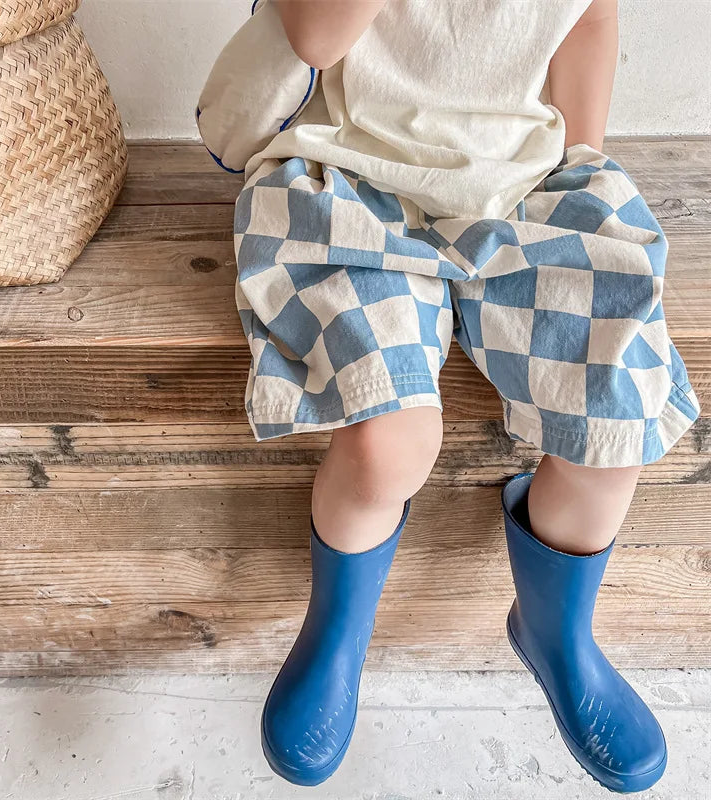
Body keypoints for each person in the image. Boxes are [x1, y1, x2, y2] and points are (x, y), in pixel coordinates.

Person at [224, 0, 701, 791]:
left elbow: (591, 16)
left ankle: (557, 635)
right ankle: (337, 628)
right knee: (387, 442)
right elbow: (314, 35)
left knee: (612, 427)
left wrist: (582, 153)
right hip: (345, 176)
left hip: (519, 175)